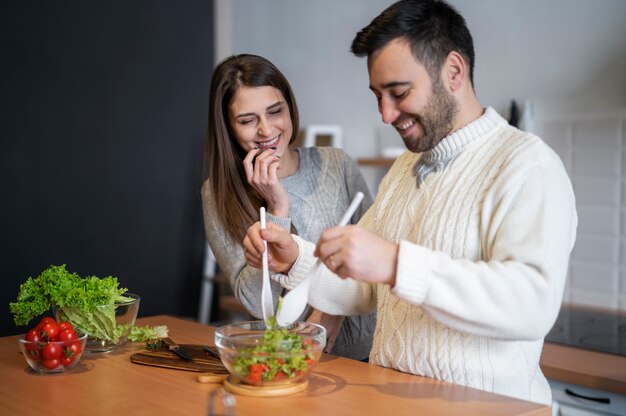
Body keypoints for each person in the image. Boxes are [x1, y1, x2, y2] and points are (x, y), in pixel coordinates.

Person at [243, 0, 577, 405]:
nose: (385, 114)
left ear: (454, 71)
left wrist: (398, 264)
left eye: (398, 93)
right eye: (377, 96)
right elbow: (362, 289)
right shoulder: (405, 168)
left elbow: (532, 304)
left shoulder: (527, 165)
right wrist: (295, 258)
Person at [201, 54, 376, 361]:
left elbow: (375, 255)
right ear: (228, 127)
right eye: (247, 120)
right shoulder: (217, 193)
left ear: (289, 107)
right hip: (292, 361)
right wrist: (277, 208)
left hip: (368, 355)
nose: (266, 130)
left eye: (275, 111)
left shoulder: (336, 164)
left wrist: (331, 308)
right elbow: (256, 304)